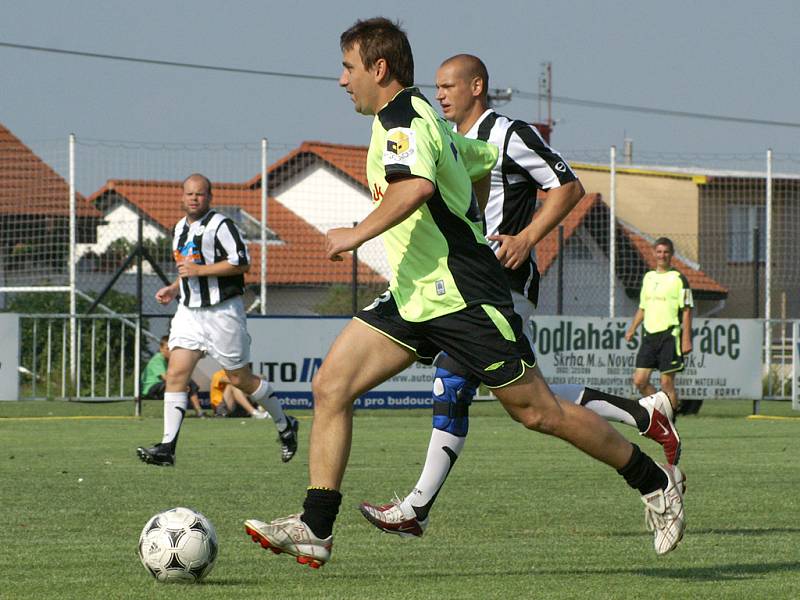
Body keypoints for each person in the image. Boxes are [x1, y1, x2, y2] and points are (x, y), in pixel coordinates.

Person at [243, 18, 685, 568]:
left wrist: (354, 235)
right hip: (413, 296)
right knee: (331, 385)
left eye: (348, 67)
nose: (341, 80)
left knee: (540, 413)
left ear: (379, 69)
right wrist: (467, 212)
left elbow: (417, 186)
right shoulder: (425, 118)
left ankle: (652, 481)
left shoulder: (403, 119)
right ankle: (315, 527)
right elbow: (474, 165)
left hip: (461, 296)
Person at [358, 54, 681, 539]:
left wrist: (527, 237)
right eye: (437, 86)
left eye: (450, 86)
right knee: (531, 403)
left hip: (503, 284)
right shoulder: (444, 137)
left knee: (454, 382)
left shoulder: (509, 134)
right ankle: (641, 413)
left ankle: (416, 508)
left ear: (477, 86)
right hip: (462, 283)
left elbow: (568, 187)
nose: (441, 94)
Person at [136, 173, 298, 466]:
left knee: (240, 379)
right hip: (189, 312)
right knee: (175, 374)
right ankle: (167, 448)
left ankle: (285, 424)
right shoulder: (178, 229)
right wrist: (174, 288)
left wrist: (201, 271)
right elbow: (186, 269)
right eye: (189, 194)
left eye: (199, 194)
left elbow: (241, 263)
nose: (194, 198)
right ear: (181, 197)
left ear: (209, 197)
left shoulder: (221, 225)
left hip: (223, 312)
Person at [625, 237, 694, 411]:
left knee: (666, 383)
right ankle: (661, 412)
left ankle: (670, 422)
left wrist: (687, 339)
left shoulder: (678, 279)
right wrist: (632, 328)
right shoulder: (648, 278)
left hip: (669, 336)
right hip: (649, 336)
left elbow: (686, 310)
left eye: (666, 252)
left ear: (671, 255)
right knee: (639, 381)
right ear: (654, 253)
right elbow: (643, 307)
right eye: (659, 252)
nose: (662, 255)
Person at [141, 335, 204, 418]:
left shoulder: (171, 360)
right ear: (161, 349)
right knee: (183, 383)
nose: (170, 351)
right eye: (167, 349)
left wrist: (185, 383)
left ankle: (199, 411)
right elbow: (166, 378)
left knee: (188, 381)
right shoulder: (158, 359)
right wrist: (183, 385)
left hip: (163, 386)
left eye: (172, 348)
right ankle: (195, 412)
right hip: (151, 388)